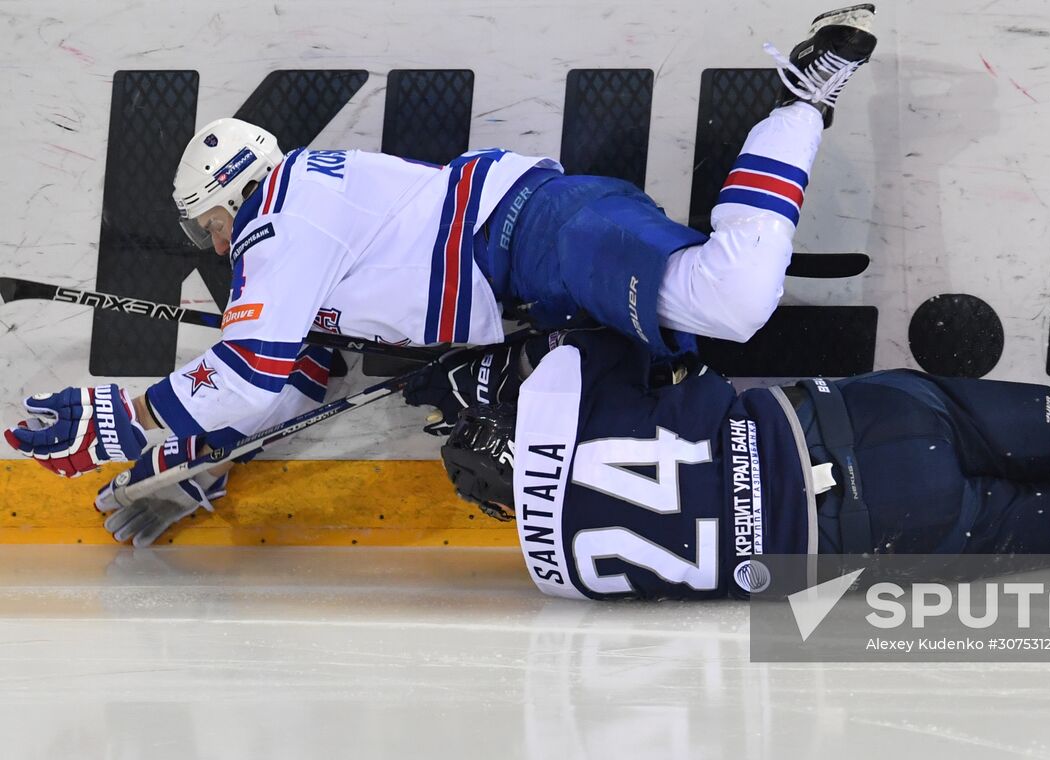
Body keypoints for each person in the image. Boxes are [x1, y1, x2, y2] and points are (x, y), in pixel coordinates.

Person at [3, 6, 879, 540]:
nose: (216, 246)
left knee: (729, 298)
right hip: (535, 286)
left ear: (231, 194)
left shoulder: (279, 215)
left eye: (208, 225)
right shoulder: (302, 228)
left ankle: (800, 102)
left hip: (539, 235)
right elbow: (302, 370)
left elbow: (247, 371)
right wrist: (194, 463)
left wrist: (122, 421)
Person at [426, 323, 1050, 600]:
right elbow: (649, 345)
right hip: (867, 427)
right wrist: (492, 370)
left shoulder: (561, 572)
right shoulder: (565, 402)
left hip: (873, 541)